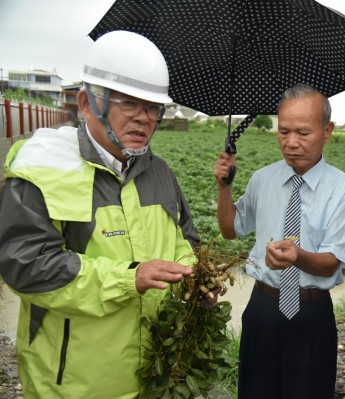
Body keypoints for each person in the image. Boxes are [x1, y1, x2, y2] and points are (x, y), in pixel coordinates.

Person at [0, 30, 199, 398]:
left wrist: (194, 274)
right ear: (87, 103)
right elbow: (25, 267)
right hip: (73, 384)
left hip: (151, 376)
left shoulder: (160, 173)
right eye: (128, 103)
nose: (144, 119)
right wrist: (129, 278)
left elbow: (185, 238)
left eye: (153, 108)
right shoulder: (44, 168)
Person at [213, 83, 345, 399]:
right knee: (255, 391)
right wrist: (223, 186)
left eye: (303, 133)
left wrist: (296, 256)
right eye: (284, 132)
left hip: (311, 314)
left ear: (327, 130)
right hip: (262, 308)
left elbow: (330, 263)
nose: (291, 143)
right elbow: (229, 229)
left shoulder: (343, 190)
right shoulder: (262, 179)